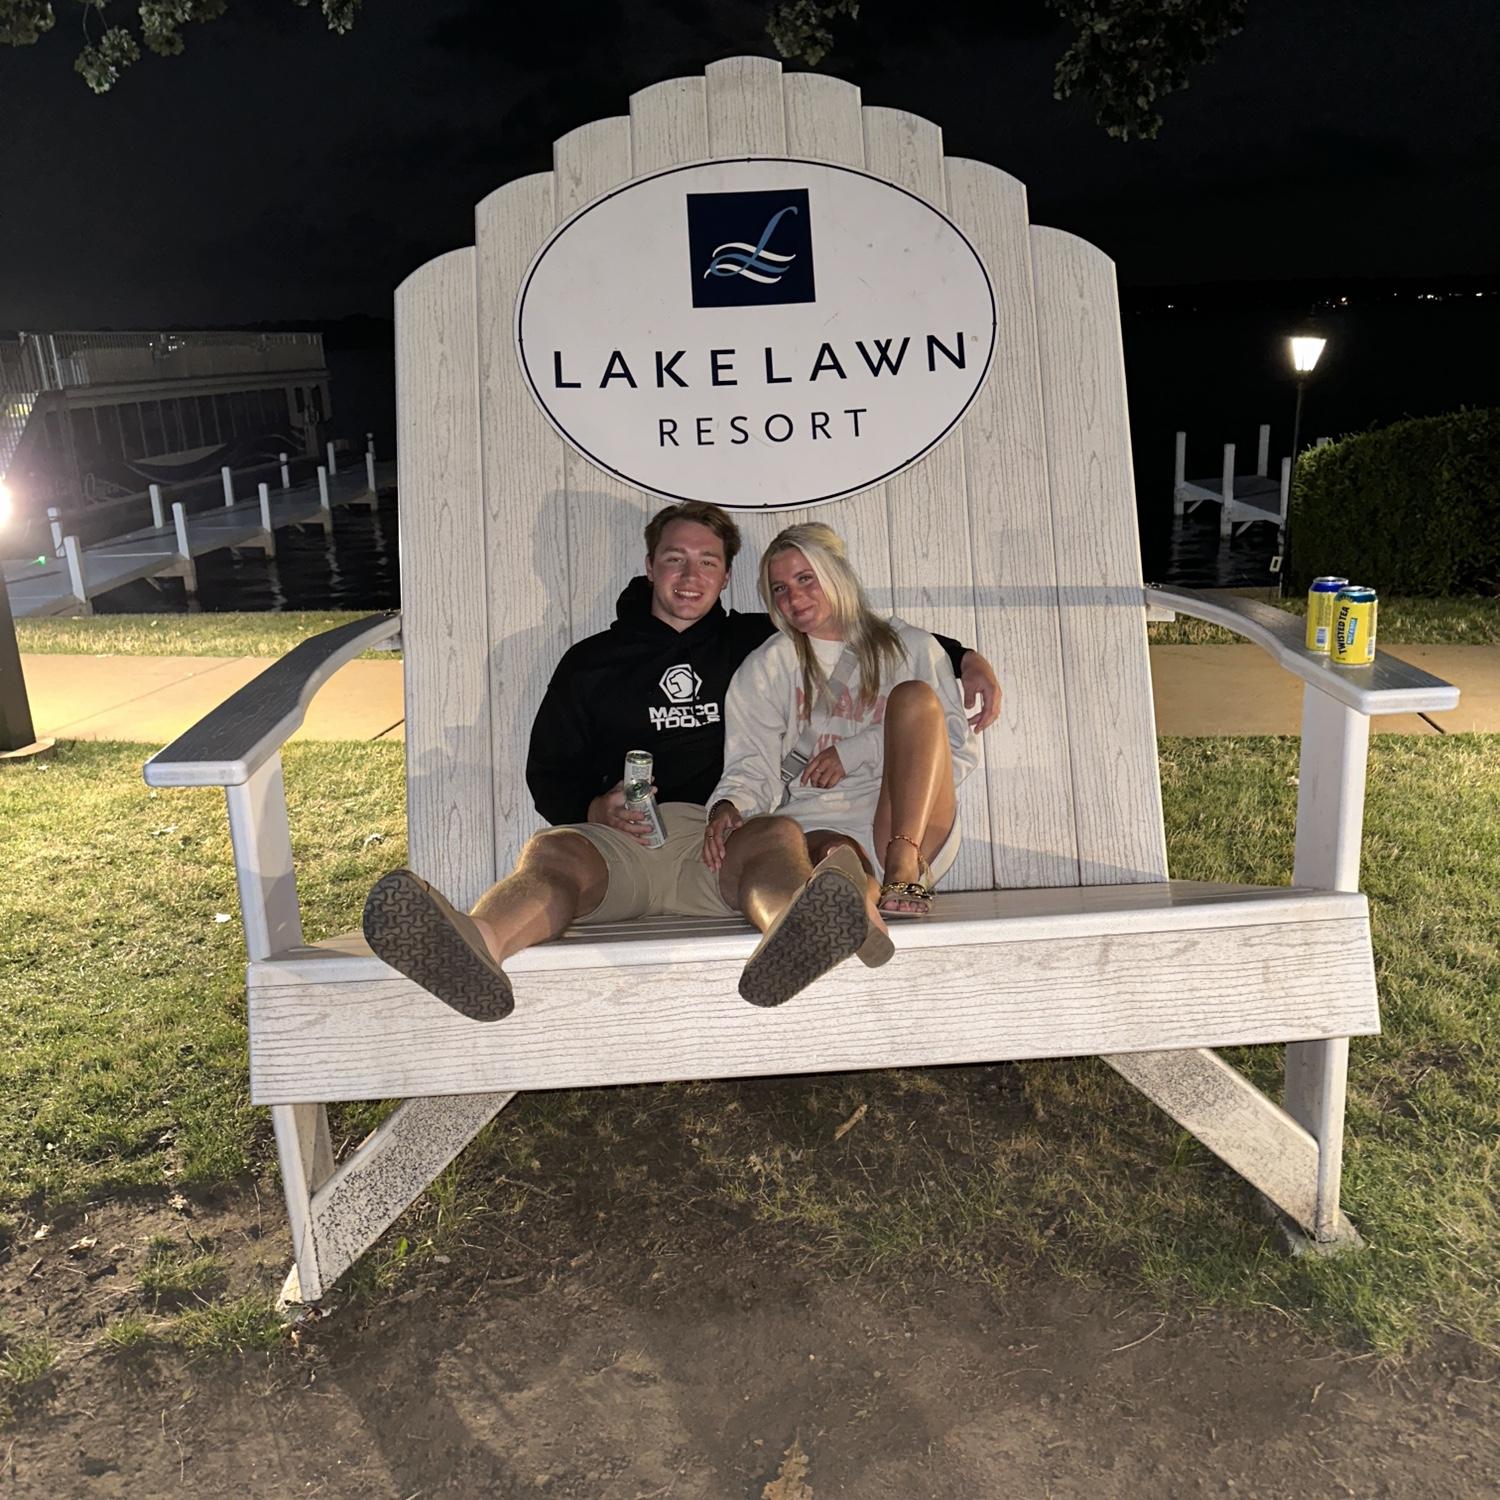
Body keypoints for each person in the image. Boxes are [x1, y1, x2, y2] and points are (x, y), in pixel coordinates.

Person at [362, 502, 999, 1021]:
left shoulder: (753, 638)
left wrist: (967, 657)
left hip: (727, 851)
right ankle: (479, 942)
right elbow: (549, 772)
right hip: (628, 844)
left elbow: (872, 638)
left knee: (782, 836)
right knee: (551, 851)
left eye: (707, 562)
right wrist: (594, 808)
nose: (690, 576)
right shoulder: (593, 662)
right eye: (675, 559)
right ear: (650, 567)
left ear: (725, 577)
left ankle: (800, 928)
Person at [702, 523, 978, 1007]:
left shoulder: (912, 647)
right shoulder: (768, 666)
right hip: (817, 820)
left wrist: (855, 751)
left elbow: (956, 748)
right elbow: (752, 765)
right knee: (833, 852)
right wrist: (729, 805)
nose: (793, 598)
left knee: (916, 698)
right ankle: (862, 913)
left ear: (836, 573)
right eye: (779, 589)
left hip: (909, 821)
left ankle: (898, 869)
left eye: (805, 578)